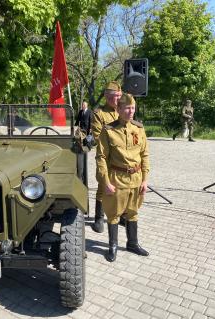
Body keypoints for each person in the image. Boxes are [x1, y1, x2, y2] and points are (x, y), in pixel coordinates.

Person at [96, 93, 150, 262]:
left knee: (133, 212)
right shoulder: (108, 130)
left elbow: (145, 155)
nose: (131, 111)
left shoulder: (139, 129)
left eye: (133, 108)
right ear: (118, 109)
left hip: (136, 178)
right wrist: (105, 182)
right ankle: (112, 245)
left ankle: (132, 243)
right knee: (113, 214)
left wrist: (145, 179)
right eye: (127, 108)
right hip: (116, 179)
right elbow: (101, 158)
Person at [91, 81, 122, 233]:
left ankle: (120, 214)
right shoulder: (99, 113)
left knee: (122, 185)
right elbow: (97, 136)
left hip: (123, 157)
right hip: (107, 156)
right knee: (103, 185)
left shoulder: (122, 111)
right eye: (116, 96)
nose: (118, 99)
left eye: (119, 96)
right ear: (108, 97)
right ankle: (98, 217)